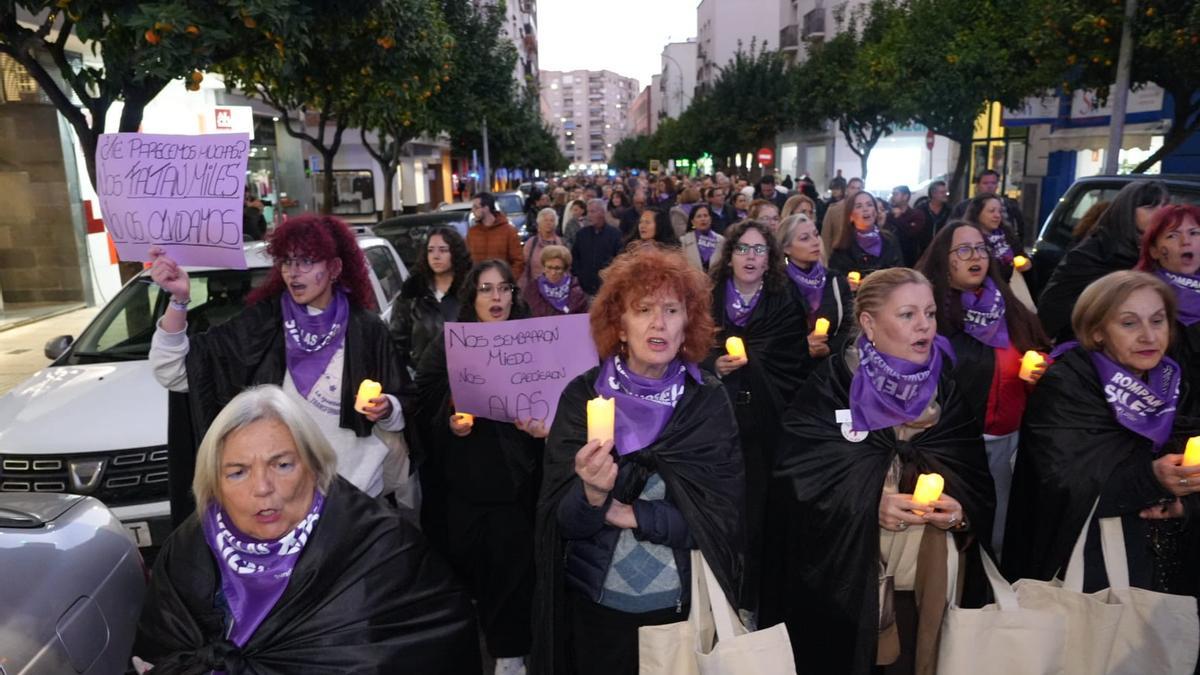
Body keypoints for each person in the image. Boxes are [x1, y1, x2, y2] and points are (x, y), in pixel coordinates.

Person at [134, 385, 480, 673]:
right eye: (237, 472)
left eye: (282, 465)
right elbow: (162, 650)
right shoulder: (186, 550)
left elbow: (434, 650)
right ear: (214, 483)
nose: (262, 487)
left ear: (314, 466)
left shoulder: (383, 549)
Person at [764, 267, 994, 674]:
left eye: (929, 313)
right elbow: (795, 484)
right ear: (869, 324)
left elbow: (973, 478)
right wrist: (869, 503)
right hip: (852, 593)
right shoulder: (830, 387)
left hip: (926, 593)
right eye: (907, 315)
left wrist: (960, 516)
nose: (924, 325)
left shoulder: (947, 389)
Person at [531, 245, 745, 675]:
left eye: (671, 309)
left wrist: (634, 514)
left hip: (678, 608)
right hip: (598, 605)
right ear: (621, 326)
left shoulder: (706, 402)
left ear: (688, 324)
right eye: (643, 308)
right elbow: (563, 523)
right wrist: (592, 493)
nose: (658, 323)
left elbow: (722, 519)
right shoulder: (584, 395)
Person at [149, 215, 407, 524]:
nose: (293, 273)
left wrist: (388, 408)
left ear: (336, 268)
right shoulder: (261, 324)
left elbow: (403, 404)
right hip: (282, 507)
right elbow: (175, 371)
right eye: (286, 262)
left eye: (307, 261)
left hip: (359, 501)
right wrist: (179, 300)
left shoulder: (367, 329)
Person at [1004, 271, 1200, 603]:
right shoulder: (1067, 385)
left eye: (1158, 321)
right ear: (1097, 332)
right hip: (1084, 567)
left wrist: (1187, 503)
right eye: (1129, 324)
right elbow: (1062, 481)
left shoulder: (1173, 381)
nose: (1148, 336)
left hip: (1164, 563)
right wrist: (1151, 479)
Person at [415, 260, 546, 675]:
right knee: (475, 573)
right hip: (465, 483)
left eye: (504, 288)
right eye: (486, 289)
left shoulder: (533, 339)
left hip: (518, 484)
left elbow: (559, 396)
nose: (496, 297)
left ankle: (511, 654)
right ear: (472, 296)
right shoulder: (450, 343)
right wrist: (450, 413)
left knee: (514, 569)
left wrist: (544, 424)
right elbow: (424, 396)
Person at [915, 221, 1051, 555]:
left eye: (980, 249)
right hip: (958, 444)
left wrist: (1041, 370)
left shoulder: (1005, 305)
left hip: (1009, 440)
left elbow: (1040, 348)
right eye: (963, 250)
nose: (975, 256)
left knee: (1000, 527)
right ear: (944, 260)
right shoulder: (933, 312)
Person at [707, 219, 808, 611]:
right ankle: (720, 591)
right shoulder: (709, 297)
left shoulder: (785, 299)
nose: (750, 257)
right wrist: (713, 364)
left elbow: (794, 363)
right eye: (743, 249)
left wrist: (758, 363)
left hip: (767, 425)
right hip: (719, 424)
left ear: (771, 259)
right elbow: (689, 348)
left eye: (759, 250)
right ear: (729, 256)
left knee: (760, 512)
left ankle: (754, 598)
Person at [1038, 180, 1170, 342]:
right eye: (1150, 207)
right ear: (1127, 211)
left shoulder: (1165, 251)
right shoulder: (1093, 252)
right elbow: (1054, 307)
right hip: (1091, 347)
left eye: (1164, 207)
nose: (1160, 214)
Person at [778, 214, 854, 375]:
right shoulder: (777, 285)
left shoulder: (835, 280)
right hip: (789, 373)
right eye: (805, 238)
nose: (815, 242)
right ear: (786, 248)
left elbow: (850, 326)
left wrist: (829, 348)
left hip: (830, 371)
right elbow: (771, 336)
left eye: (816, 234)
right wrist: (802, 345)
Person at [389, 226, 470, 375]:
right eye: (430, 250)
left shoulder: (470, 291)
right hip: (422, 380)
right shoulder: (412, 293)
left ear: (455, 253)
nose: (436, 256)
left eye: (443, 250)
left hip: (466, 378)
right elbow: (396, 343)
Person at [1135, 204, 1200, 389]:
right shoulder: (1140, 294)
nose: (1185, 242)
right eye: (1172, 235)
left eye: (1194, 233)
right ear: (1154, 250)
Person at [827, 190, 904, 276]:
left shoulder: (890, 240)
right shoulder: (842, 249)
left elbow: (900, 273)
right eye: (859, 206)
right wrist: (847, 284)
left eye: (869, 205)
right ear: (851, 216)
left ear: (875, 212)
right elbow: (835, 281)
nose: (865, 209)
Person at [951, 170, 1028, 243]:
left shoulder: (1009, 205)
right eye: (985, 183)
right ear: (978, 185)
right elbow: (952, 228)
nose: (990, 186)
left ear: (997, 185)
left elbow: (1020, 227)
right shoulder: (963, 207)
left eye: (993, 183)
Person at [963, 193, 1024, 282]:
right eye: (992, 211)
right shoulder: (968, 239)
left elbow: (1022, 256)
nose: (997, 215)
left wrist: (1026, 263)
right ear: (977, 213)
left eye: (999, 211)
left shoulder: (1008, 235)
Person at [571, 199, 623, 297]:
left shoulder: (615, 235)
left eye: (592, 211)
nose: (589, 215)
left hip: (607, 290)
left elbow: (619, 260)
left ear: (602, 213)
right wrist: (579, 275)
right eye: (588, 212)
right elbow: (575, 258)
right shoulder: (581, 234)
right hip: (584, 290)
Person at [468, 192, 525, 280]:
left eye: (476, 207)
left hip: (501, 285)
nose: (473, 210)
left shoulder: (508, 231)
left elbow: (519, 261)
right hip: (478, 285)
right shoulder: (473, 232)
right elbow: (466, 260)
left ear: (486, 208)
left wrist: (508, 281)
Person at [522, 245, 589, 317]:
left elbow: (583, 317)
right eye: (549, 267)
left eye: (557, 268)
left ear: (565, 269)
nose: (553, 273)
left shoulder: (576, 292)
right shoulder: (532, 289)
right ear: (543, 267)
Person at [522, 207, 567, 288]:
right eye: (545, 220)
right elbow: (524, 268)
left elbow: (567, 269)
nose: (548, 223)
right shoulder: (531, 243)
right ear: (539, 223)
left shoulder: (562, 243)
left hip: (557, 289)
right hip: (535, 289)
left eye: (551, 220)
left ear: (556, 224)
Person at [886, 185, 930, 267]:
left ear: (905, 196)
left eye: (895, 194)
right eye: (892, 194)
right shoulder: (888, 215)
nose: (892, 197)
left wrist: (899, 218)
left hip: (910, 257)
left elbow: (912, 233)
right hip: (891, 257)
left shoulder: (916, 214)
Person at [679, 203, 725, 273]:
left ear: (710, 219)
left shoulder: (721, 240)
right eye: (699, 216)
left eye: (705, 216)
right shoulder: (684, 241)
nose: (703, 219)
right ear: (693, 222)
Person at [821, 176, 863, 251]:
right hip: (838, 252)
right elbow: (826, 236)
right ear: (847, 189)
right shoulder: (834, 209)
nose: (856, 191)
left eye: (859, 188)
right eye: (853, 188)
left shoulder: (866, 211)